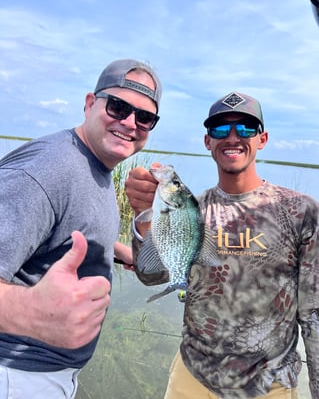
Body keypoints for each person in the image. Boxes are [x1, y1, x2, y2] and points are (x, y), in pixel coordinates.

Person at [125, 91, 319, 399]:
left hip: (270, 387)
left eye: (245, 128)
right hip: (191, 377)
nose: (232, 137)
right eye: (219, 129)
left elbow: (313, 313)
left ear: (263, 138)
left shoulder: (301, 212)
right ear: (207, 141)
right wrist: (142, 219)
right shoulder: (192, 208)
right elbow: (152, 275)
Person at [0, 58, 162, 398]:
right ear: (90, 103)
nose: (130, 123)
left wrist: (112, 249)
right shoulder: (47, 171)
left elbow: (62, 225)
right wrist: (25, 311)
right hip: (17, 374)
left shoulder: (96, 166)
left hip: (48, 373)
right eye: (118, 107)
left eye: (144, 117)